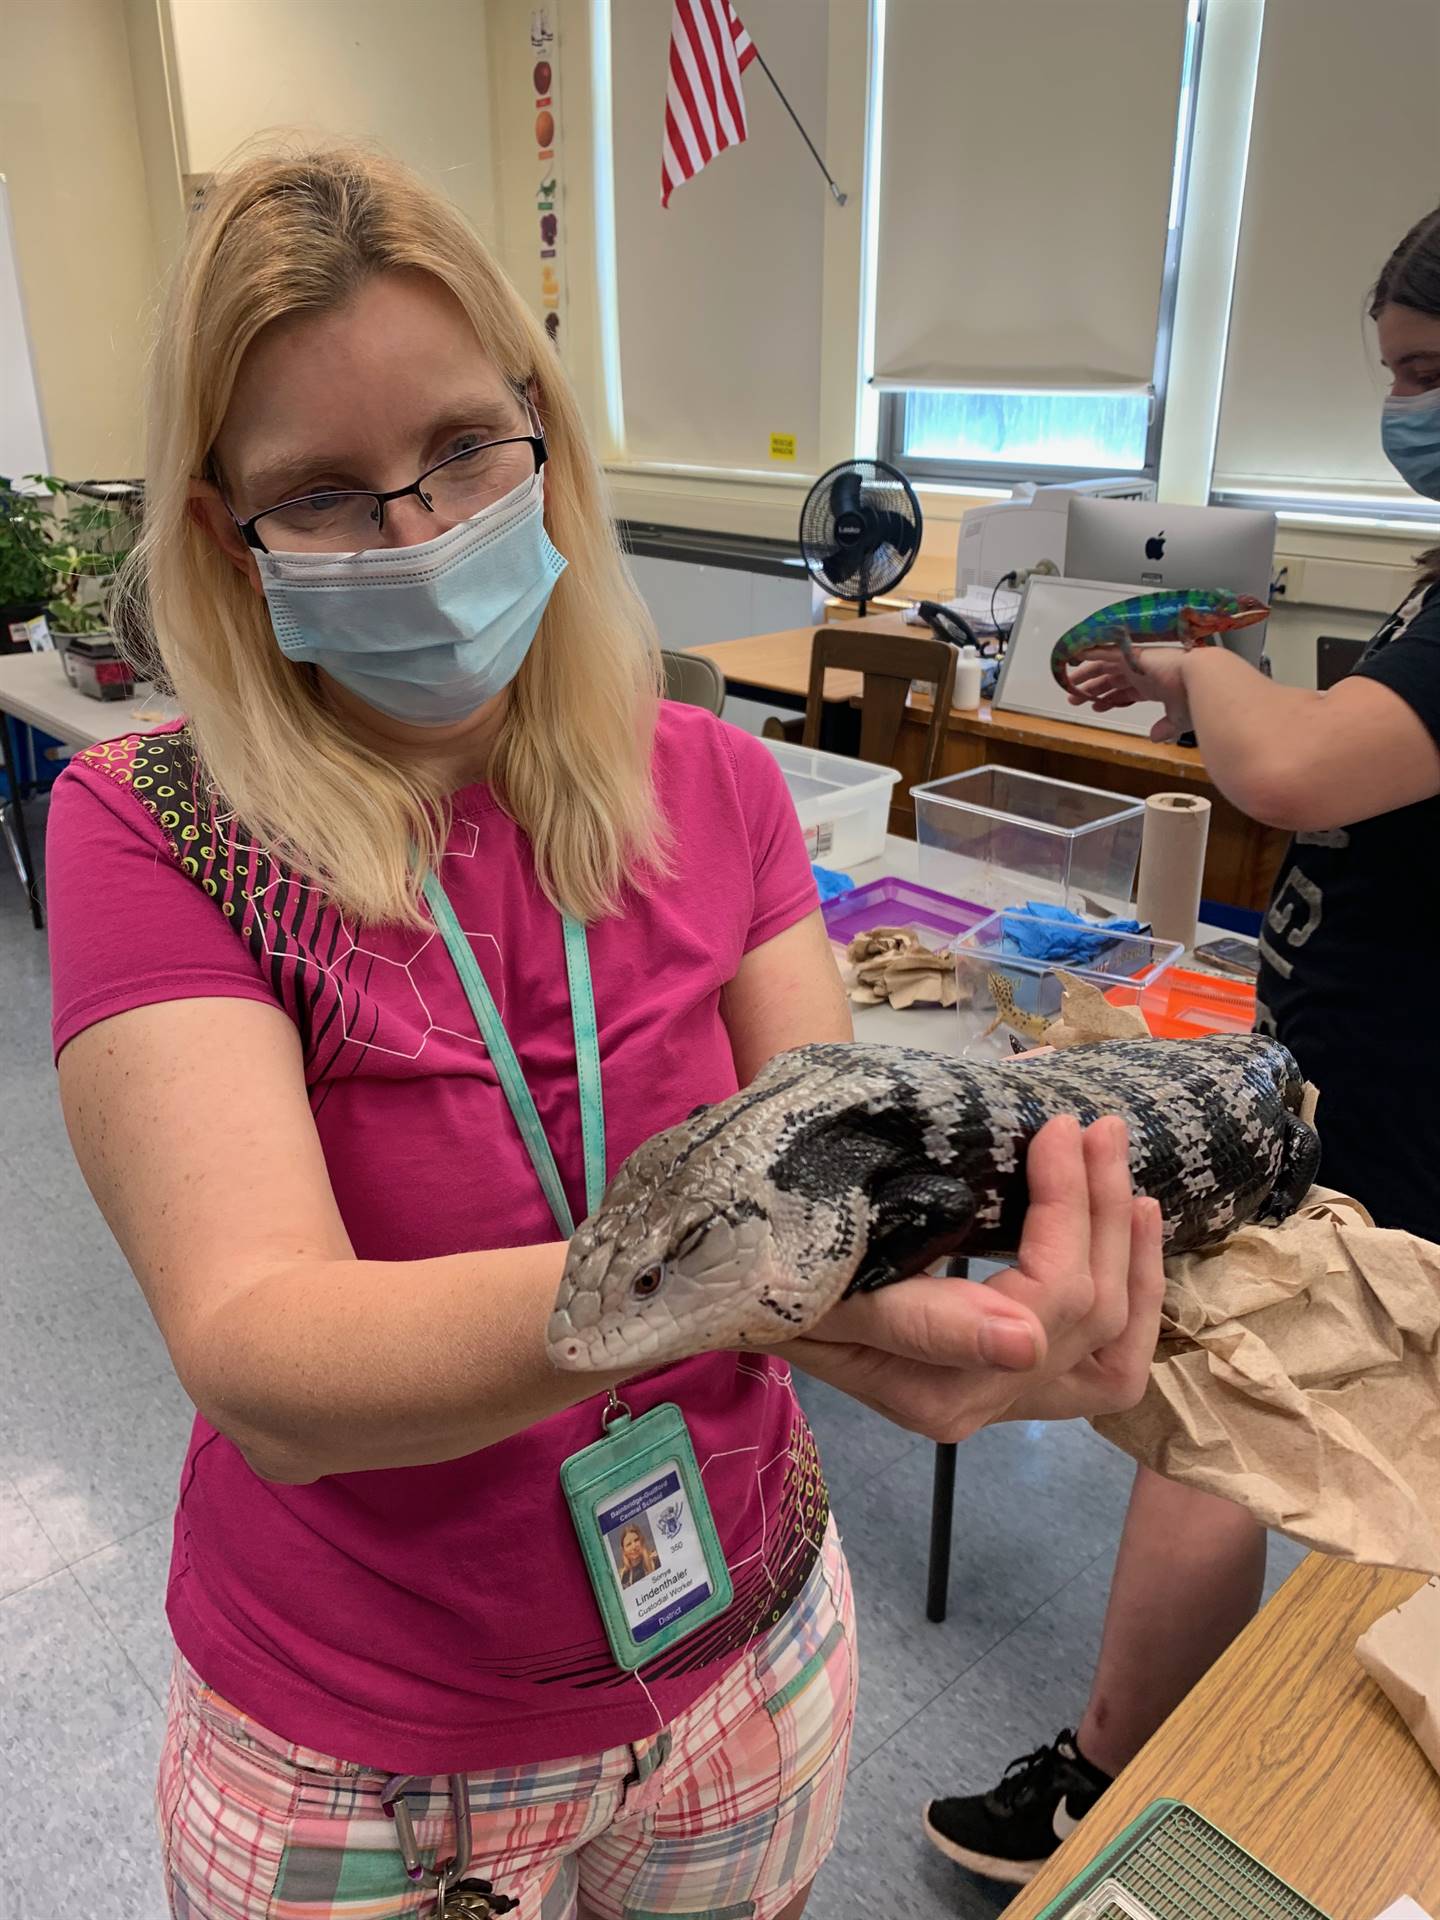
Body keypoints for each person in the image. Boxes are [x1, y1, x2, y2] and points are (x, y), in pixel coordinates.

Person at [48, 142, 1165, 1920]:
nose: (417, 535)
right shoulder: (158, 830)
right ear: (220, 534)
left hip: (750, 1655)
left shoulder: (712, 784)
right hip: (374, 1756)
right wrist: (729, 1280)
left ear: (542, 437)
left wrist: (960, 1319)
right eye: (323, 495)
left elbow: (835, 1178)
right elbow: (265, 1359)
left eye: (462, 452)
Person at [923, 201, 1440, 1887]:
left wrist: (1195, 667)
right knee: (1257, 1420)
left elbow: (1294, 774)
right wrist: (1203, 686)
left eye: (1427, 375)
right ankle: (1158, 1764)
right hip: (1338, 1066)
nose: (1405, 410)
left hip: (1398, 1109)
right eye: (1395, 379)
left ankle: (1117, 1780)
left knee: (1233, 1405)